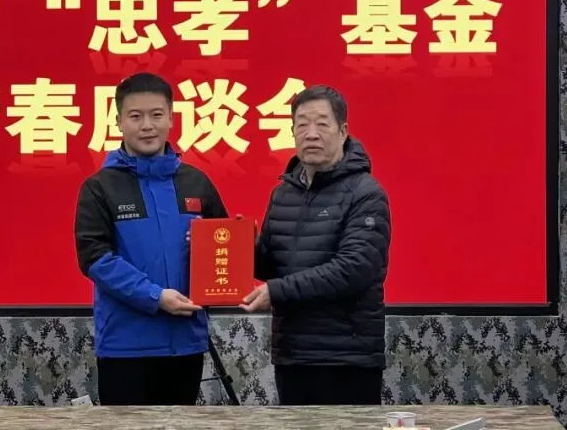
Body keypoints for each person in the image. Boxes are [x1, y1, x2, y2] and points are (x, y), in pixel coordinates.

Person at [74, 71, 229, 406]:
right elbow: (95, 259)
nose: (147, 126)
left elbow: (223, 248)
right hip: (125, 346)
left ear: (171, 118)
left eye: (157, 115)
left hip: (185, 343)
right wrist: (155, 296)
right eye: (135, 116)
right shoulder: (100, 187)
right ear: (118, 122)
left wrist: (234, 246)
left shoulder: (196, 182)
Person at [240, 84, 391, 406]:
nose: (311, 134)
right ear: (292, 132)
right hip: (293, 354)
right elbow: (275, 266)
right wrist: (248, 249)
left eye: (322, 124)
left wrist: (277, 291)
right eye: (302, 125)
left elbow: (354, 269)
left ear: (343, 132)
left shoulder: (365, 193)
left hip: (347, 358)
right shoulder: (283, 193)